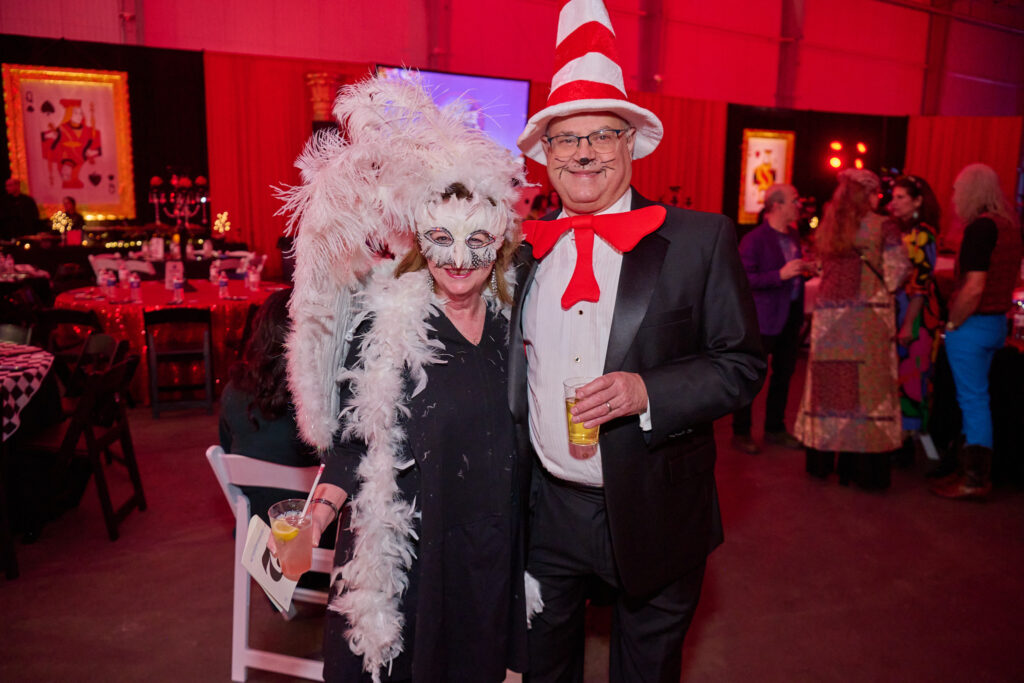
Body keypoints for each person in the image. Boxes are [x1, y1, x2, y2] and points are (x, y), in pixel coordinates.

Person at [512, 2, 766, 679]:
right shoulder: (519, 254)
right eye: (567, 138)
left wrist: (646, 389)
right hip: (546, 512)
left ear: (630, 144)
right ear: (546, 156)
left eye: (603, 134)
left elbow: (741, 365)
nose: (585, 151)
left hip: (657, 507)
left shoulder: (699, 240)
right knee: (542, 668)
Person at [281, 75, 528, 682]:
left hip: (492, 550)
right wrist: (315, 517)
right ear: (419, 236)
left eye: (477, 241)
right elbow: (355, 440)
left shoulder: (515, 322)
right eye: (441, 239)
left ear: (500, 242)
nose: (458, 260)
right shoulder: (387, 326)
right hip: (415, 553)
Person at [794, 169, 911, 489]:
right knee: (868, 394)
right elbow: (896, 272)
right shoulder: (882, 226)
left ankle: (821, 465)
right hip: (866, 322)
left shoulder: (829, 226)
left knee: (831, 392)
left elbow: (819, 266)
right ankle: (860, 471)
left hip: (829, 321)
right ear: (869, 195)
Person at [931, 163, 1023, 500]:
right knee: (978, 398)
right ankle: (970, 471)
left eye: (957, 189)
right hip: (996, 322)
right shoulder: (1009, 227)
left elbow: (973, 288)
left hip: (973, 323)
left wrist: (952, 322)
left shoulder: (981, 229)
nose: (954, 197)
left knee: (972, 401)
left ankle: (973, 477)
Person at [218, 288, 319, 525]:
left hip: (257, 525)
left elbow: (227, 448)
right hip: (316, 531)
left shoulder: (233, 392)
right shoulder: (318, 405)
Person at [731, 183, 813, 454]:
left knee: (785, 375)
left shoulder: (792, 235)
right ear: (776, 205)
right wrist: (780, 274)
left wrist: (804, 269)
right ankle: (741, 432)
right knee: (751, 375)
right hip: (762, 320)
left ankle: (775, 428)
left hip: (789, 317)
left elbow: (791, 273)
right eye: (794, 201)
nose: (798, 206)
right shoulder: (755, 239)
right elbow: (743, 279)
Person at [887, 175, 943, 457]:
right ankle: (902, 437)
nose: (893, 203)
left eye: (900, 198)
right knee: (899, 374)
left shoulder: (923, 234)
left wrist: (909, 323)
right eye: (893, 197)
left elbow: (921, 285)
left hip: (916, 315)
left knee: (913, 374)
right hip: (899, 309)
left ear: (918, 201)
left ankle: (911, 441)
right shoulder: (900, 231)